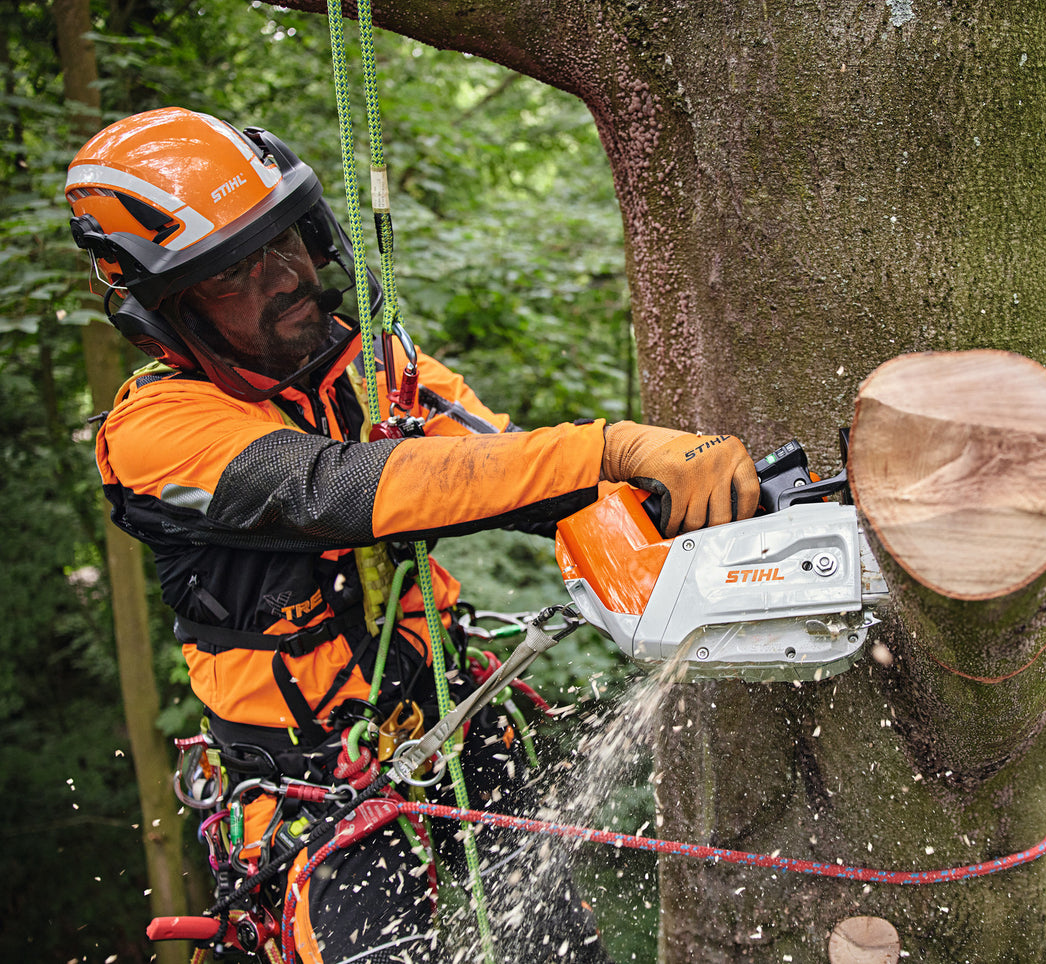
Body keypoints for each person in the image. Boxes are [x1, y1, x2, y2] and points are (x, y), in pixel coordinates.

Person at [66, 106, 760, 964]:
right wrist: (609, 443)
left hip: (455, 718)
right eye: (232, 276)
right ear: (168, 317)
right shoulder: (158, 430)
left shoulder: (369, 366)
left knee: (561, 947)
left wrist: (689, 505)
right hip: (311, 783)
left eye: (288, 243)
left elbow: (503, 470)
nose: (282, 280)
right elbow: (337, 491)